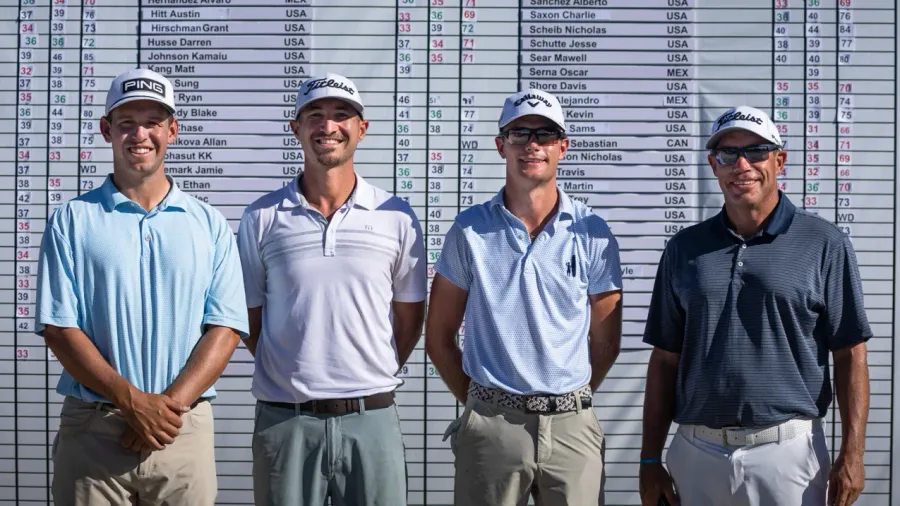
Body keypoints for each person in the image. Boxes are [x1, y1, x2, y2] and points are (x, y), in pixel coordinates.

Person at [35, 68, 250, 505]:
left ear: (172, 131)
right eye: (127, 122)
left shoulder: (209, 224)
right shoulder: (71, 220)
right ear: (106, 130)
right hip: (95, 431)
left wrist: (163, 410)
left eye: (153, 122)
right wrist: (132, 402)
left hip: (180, 428)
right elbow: (58, 327)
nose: (140, 134)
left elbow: (226, 328)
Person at [639, 105, 871, 506]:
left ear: (779, 161)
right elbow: (664, 359)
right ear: (714, 165)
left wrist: (853, 453)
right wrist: (648, 458)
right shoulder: (683, 248)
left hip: (788, 454)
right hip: (696, 452)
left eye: (756, 151)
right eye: (728, 154)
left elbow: (850, 353)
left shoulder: (825, 243)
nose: (741, 165)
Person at [425, 89, 624, 506]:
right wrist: (482, 407)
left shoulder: (592, 231)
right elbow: (439, 336)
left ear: (562, 147)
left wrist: (569, 400)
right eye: (519, 134)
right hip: (492, 425)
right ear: (501, 145)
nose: (532, 145)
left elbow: (606, 341)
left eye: (545, 134)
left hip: (572, 430)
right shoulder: (469, 230)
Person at [237, 72, 426, 506]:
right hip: (286, 421)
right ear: (296, 128)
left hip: (372, 419)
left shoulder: (396, 216)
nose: (328, 126)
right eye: (315, 115)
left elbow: (409, 319)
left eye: (342, 115)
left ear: (362, 128)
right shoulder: (261, 217)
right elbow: (250, 318)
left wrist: (366, 369)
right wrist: (295, 371)